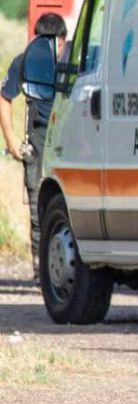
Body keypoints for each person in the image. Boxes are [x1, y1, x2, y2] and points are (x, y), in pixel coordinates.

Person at [2, 14, 67, 274]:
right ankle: (43, 274)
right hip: (40, 143)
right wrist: (11, 141)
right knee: (39, 211)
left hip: (65, 141)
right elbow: (4, 97)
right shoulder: (26, 62)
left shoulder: (73, 61)